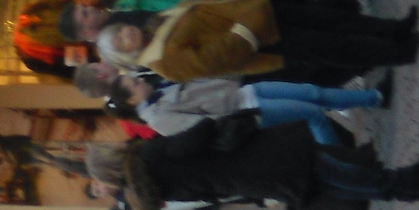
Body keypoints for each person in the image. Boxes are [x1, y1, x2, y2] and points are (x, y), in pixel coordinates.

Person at [82, 0, 419, 86]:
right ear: (125, 56)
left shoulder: (156, 24)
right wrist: (245, 31)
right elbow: (214, 59)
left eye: (121, 30)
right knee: (334, 46)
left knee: (333, 20)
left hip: (259, 12)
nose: (127, 32)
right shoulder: (163, 62)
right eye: (121, 41)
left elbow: (204, 14)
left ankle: (395, 29)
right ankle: (398, 52)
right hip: (263, 38)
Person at [122, 115, 419, 210]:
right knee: (329, 168)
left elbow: (206, 193)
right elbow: (194, 139)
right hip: (252, 157)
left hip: (246, 181)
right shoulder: (149, 155)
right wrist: (204, 124)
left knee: (327, 180)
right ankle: (402, 182)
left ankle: (399, 188)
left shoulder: (159, 191)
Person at [117, 71, 386, 148]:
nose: (140, 80)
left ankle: (373, 97)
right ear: (131, 101)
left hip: (245, 92)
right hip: (247, 111)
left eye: (136, 78)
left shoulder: (159, 90)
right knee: (313, 114)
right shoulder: (157, 118)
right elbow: (202, 127)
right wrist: (239, 117)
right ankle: (344, 164)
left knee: (312, 93)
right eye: (134, 83)